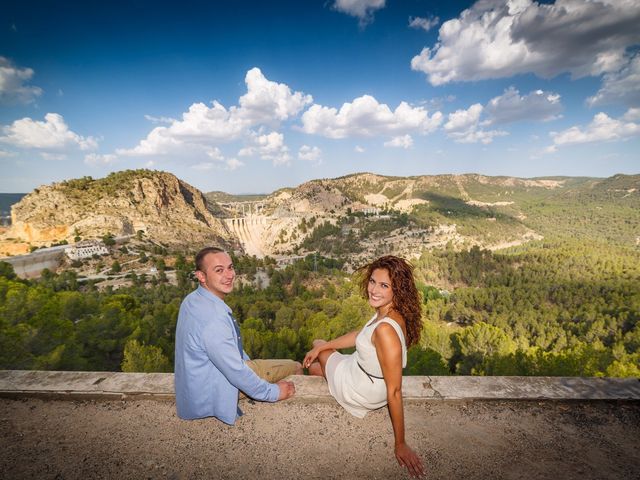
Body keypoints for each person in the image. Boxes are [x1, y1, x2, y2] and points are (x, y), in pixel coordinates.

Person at [304, 255, 425, 478]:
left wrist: (401, 443)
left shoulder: (385, 330)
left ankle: (315, 369)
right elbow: (361, 334)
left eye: (384, 285)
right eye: (372, 281)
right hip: (363, 371)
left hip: (362, 386)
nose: (374, 290)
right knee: (318, 362)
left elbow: (396, 391)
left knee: (316, 344)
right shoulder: (392, 312)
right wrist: (327, 349)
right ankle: (324, 368)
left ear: (397, 289)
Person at [174, 246, 301, 424]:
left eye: (230, 267)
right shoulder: (214, 320)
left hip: (194, 391)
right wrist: (274, 392)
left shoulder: (192, 300)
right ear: (201, 276)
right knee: (295, 367)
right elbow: (236, 371)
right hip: (214, 391)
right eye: (219, 270)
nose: (229, 275)